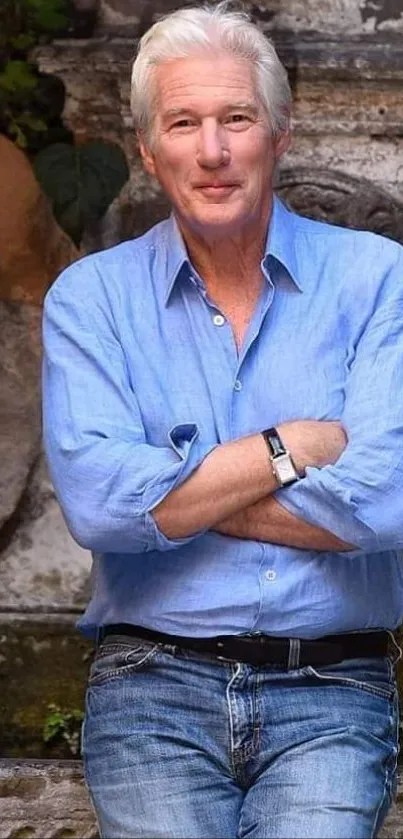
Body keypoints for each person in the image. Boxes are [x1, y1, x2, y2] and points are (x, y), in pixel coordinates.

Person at [42, 3, 403, 837]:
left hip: (333, 689)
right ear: (146, 147)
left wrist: (173, 500)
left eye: (235, 119)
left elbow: (387, 503)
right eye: (183, 123)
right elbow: (97, 507)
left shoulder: (378, 280)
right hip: (148, 682)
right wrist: (291, 447)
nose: (211, 151)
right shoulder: (91, 299)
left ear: (277, 133)